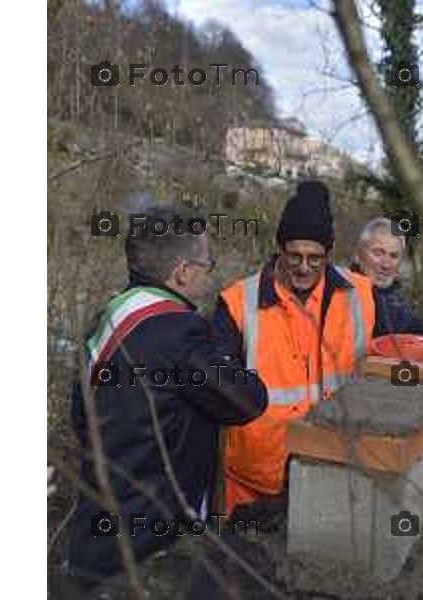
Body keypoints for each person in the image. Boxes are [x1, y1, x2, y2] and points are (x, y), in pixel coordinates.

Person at [66, 205, 268, 585]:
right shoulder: (180, 333)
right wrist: (228, 358)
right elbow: (248, 400)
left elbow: (81, 420)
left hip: (95, 533)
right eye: (208, 264)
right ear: (183, 272)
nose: (211, 276)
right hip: (151, 549)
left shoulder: (106, 318)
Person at [212, 181, 376, 515]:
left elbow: (400, 337)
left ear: (330, 255)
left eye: (315, 259)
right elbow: (214, 386)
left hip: (332, 468)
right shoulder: (238, 302)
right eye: (294, 256)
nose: (303, 267)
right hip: (255, 479)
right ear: (279, 250)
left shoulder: (359, 295)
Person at [352, 217, 423, 337]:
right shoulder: (344, 294)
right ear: (357, 254)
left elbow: (409, 328)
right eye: (378, 253)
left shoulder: (391, 298)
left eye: (393, 256)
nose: (386, 264)